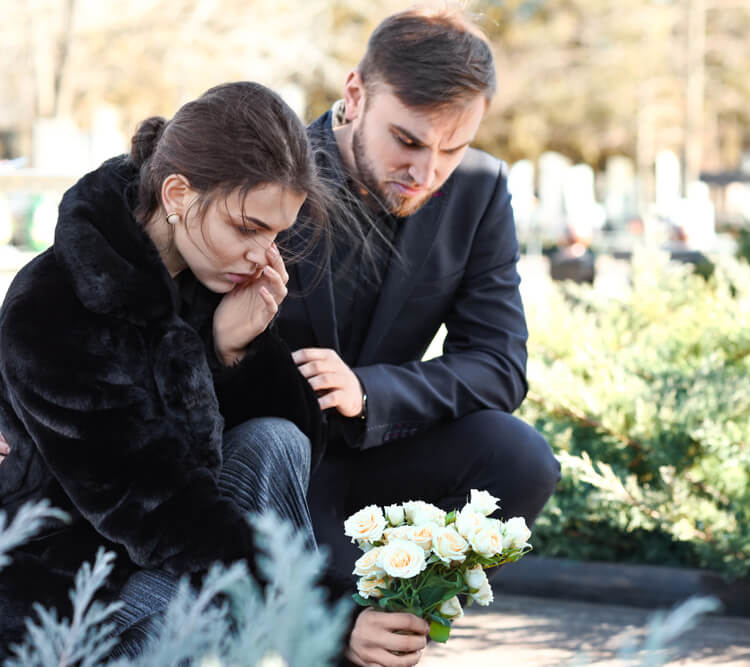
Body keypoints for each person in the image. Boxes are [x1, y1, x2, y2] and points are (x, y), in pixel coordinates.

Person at [0, 81, 432, 662]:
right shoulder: (57, 304)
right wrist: (328, 616)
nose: (263, 254)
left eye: (277, 234)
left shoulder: (209, 274)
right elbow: (155, 507)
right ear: (177, 193)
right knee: (225, 602)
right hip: (77, 605)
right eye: (249, 228)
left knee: (274, 440)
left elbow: (298, 448)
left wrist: (234, 351)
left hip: (168, 570)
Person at [277, 9, 561, 665]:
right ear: (355, 95)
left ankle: (396, 617)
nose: (427, 171)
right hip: (265, 459)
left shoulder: (480, 189)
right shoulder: (269, 164)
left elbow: (498, 364)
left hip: (379, 451)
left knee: (521, 458)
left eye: (452, 147)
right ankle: (337, 628)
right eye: (406, 140)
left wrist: (370, 394)